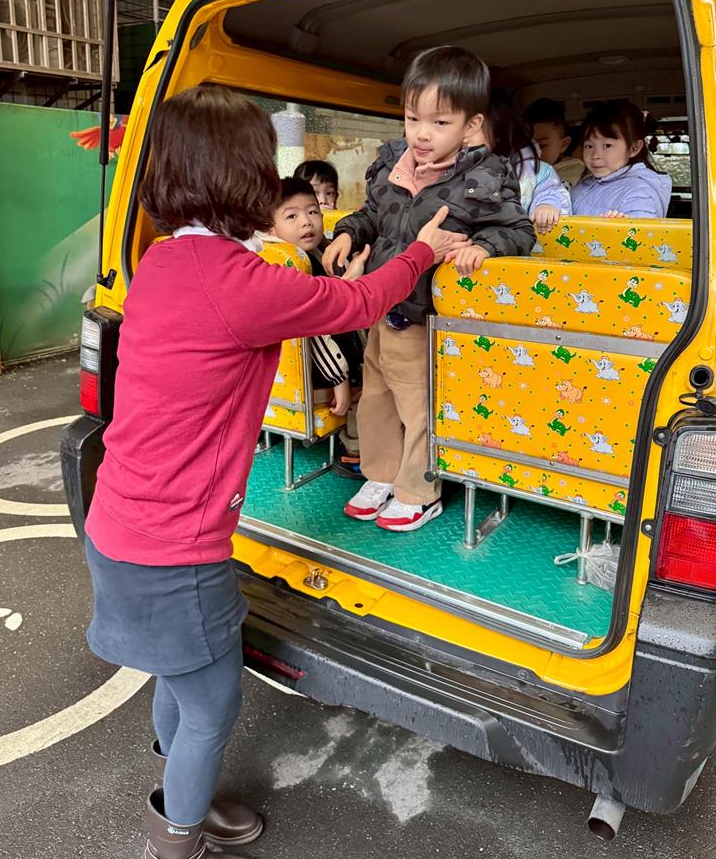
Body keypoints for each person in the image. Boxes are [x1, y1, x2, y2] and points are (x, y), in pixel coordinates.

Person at [82, 84, 467, 859]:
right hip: (176, 548)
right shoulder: (242, 283)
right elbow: (358, 301)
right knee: (211, 706)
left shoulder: (163, 259)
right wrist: (423, 248)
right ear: (242, 175)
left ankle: (180, 791)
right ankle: (177, 837)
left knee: (178, 676)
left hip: (118, 519)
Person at [323, 46, 536, 533]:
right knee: (375, 398)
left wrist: (483, 246)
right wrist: (348, 233)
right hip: (380, 307)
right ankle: (380, 475)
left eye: (440, 123)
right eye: (412, 118)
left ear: (470, 125)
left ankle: (418, 492)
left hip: (425, 317)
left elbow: (519, 230)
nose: (421, 133)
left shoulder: (483, 177)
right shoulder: (390, 165)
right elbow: (373, 215)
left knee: (418, 407)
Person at [267, 176, 366, 429]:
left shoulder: (322, 252)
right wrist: (340, 379)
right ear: (270, 229)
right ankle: (353, 444)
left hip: (336, 368)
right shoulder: (295, 267)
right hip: (323, 378)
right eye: (292, 216)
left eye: (312, 212)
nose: (306, 221)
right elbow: (314, 330)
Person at [478, 90, 571, 235]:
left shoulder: (535, 171)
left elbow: (550, 191)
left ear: (501, 130)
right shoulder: (453, 167)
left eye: (475, 124)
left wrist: (547, 205)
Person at [571, 100, 672, 218]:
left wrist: (619, 226)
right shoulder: (585, 184)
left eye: (607, 145)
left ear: (633, 148)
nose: (595, 155)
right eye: (589, 146)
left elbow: (638, 228)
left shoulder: (640, 194)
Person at [523, 97, 585, 188]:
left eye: (542, 145)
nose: (534, 152)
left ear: (563, 145)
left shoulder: (572, 168)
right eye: (527, 146)